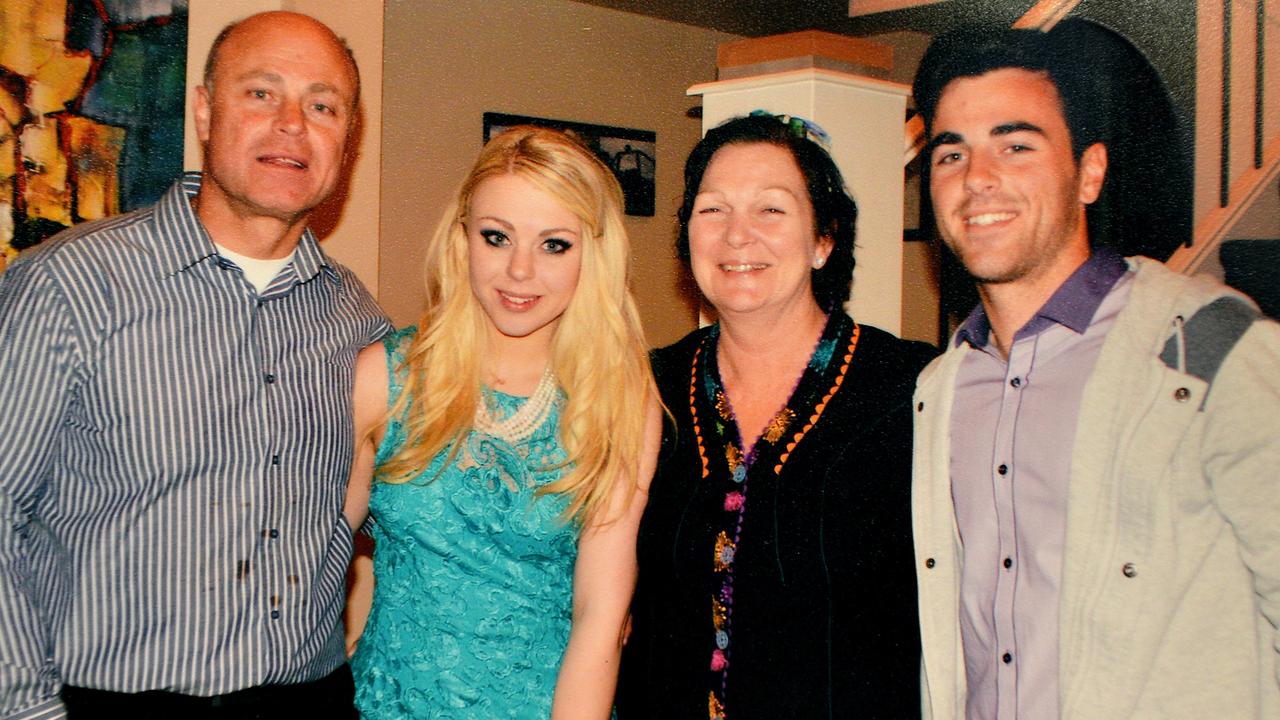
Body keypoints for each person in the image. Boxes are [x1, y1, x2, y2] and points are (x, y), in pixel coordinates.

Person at [0, 11, 388, 718]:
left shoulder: (360, 324)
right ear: (205, 111)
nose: (293, 124)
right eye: (261, 94)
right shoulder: (65, 287)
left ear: (347, 139)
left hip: (309, 699)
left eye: (322, 105)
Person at [910, 23, 1280, 720]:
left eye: (1015, 145)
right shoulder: (943, 389)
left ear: (1089, 171)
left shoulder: (1207, 350)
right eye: (950, 153)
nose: (977, 178)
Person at [616, 114, 936, 719]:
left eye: (771, 210)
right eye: (712, 210)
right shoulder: (644, 387)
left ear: (823, 240)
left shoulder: (914, 391)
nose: (738, 236)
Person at [343, 126, 661, 719]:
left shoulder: (619, 399)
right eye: (498, 237)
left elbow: (600, 615)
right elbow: (309, 560)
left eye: (554, 245)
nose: (519, 271)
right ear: (463, 240)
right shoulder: (386, 377)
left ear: (594, 252)